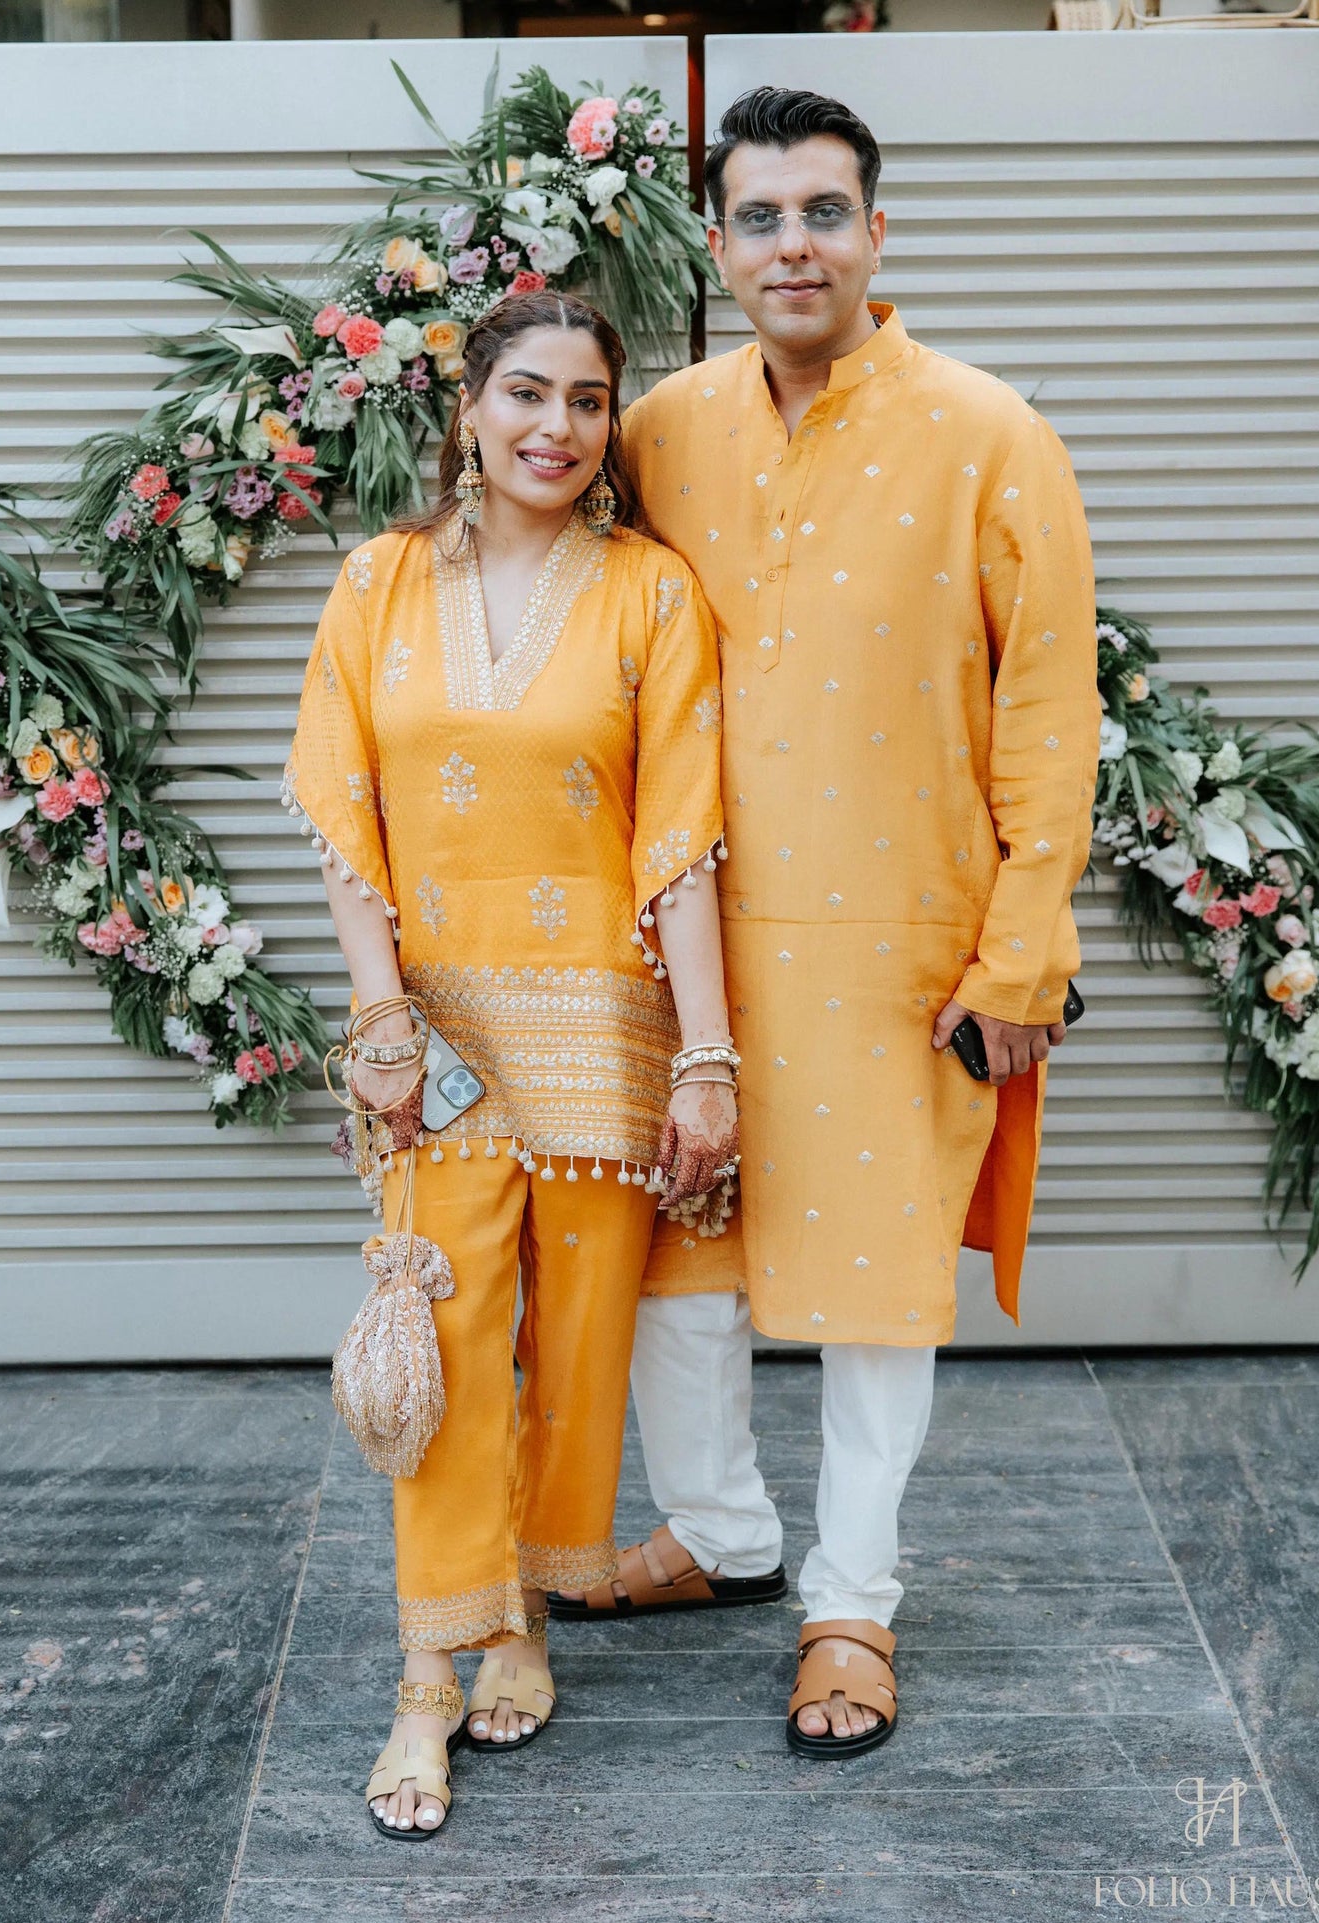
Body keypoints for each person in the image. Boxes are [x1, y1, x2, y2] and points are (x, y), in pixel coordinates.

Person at [550, 88, 1101, 1760]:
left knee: (873, 1293)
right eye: (761, 218)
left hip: (896, 947)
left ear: (879, 231)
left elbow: (1049, 715)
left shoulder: (990, 434)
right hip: (691, 946)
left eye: (824, 212)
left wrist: (1019, 951)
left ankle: (851, 1599)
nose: (794, 244)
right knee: (675, 1266)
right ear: (716, 247)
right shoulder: (661, 433)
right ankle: (717, 1534)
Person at [282, 290, 739, 1834]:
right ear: (467, 409)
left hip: (607, 1034)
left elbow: (678, 843)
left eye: (590, 400)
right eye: (527, 393)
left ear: (613, 427)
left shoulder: (651, 596)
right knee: (447, 1351)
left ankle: (525, 1613)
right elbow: (349, 817)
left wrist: (708, 1060)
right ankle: (427, 1674)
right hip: (441, 1041)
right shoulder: (378, 581)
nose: (557, 427)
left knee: (579, 1346)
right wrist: (377, 1017)